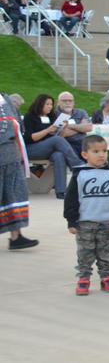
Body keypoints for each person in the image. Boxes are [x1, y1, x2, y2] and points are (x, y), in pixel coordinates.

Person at [64, 135, 109, 295]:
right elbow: (71, 199)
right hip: (85, 222)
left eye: (104, 151)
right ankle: (84, 278)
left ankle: (106, 277)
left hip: (107, 222)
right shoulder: (80, 174)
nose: (101, 155)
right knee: (85, 253)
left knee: (106, 252)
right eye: (96, 151)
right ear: (85, 154)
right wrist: (71, 221)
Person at [23, 94, 84, 199]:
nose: (50, 107)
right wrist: (47, 130)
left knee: (59, 155)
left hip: (48, 148)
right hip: (32, 149)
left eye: (51, 104)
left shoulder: (51, 117)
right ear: (40, 104)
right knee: (56, 140)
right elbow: (30, 138)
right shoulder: (30, 117)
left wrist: (63, 128)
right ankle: (77, 165)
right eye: (47, 104)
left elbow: (60, 137)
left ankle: (61, 191)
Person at [1, 92, 37, 250]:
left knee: (13, 194)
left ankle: (16, 236)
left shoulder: (5, 98)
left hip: (11, 154)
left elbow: (18, 126)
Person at [55, 91, 93, 157]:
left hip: (83, 142)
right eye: (64, 101)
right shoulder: (54, 114)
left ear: (73, 103)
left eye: (70, 101)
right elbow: (63, 134)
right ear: (58, 102)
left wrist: (69, 126)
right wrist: (80, 127)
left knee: (95, 151)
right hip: (66, 143)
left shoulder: (81, 112)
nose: (68, 103)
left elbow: (88, 127)